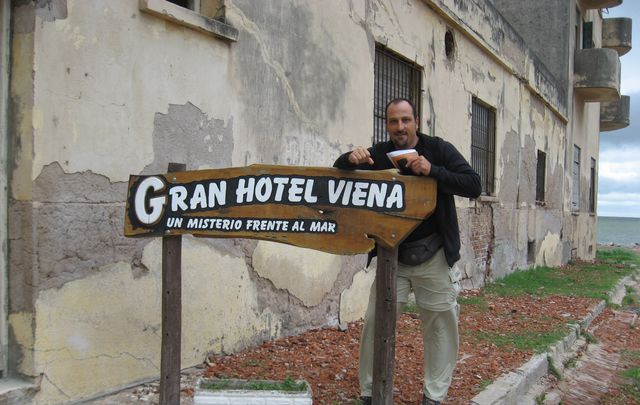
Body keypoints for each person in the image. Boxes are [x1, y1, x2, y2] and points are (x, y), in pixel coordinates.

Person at [333, 98, 481, 405]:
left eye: (405, 120)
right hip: (392, 258)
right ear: (387, 125)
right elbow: (338, 170)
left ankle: (434, 395)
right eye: (393, 121)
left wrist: (433, 170)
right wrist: (350, 157)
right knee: (376, 322)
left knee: (441, 324)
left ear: (416, 122)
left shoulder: (439, 149)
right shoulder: (378, 154)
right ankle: (370, 392)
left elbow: (473, 185)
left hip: (434, 256)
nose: (400, 127)